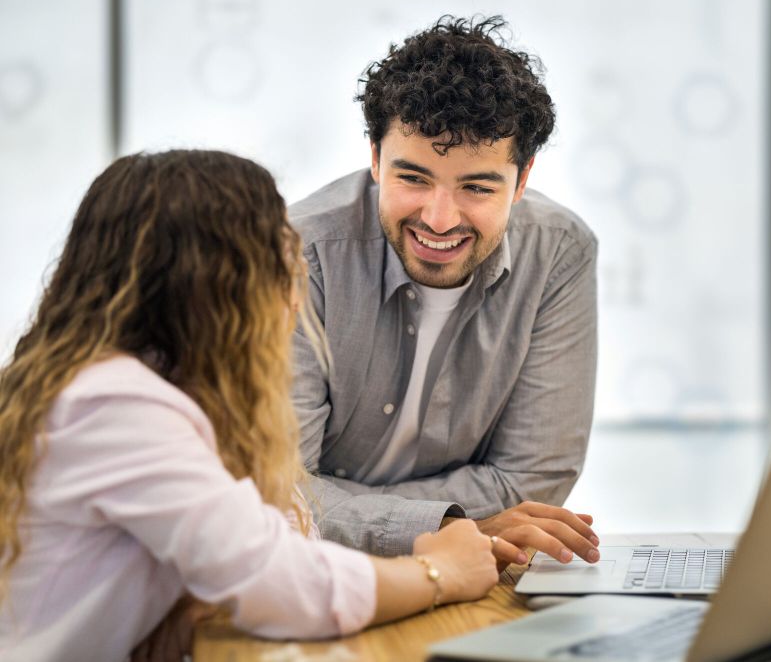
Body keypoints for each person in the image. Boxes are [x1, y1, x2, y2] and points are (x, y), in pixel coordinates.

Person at [0, 150, 500, 662]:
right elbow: (282, 582)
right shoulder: (115, 405)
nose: (295, 279)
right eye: (277, 251)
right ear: (220, 281)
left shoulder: (157, 391)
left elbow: (282, 532)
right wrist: (441, 573)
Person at [290, 15, 600, 568]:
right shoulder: (298, 250)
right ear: (375, 158)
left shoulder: (560, 251)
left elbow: (536, 478)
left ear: (522, 179)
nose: (438, 220)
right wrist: (452, 524)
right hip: (316, 572)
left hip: (479, 566)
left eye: (477, 187)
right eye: (412, 178)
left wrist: (347, 513)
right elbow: (279, 492)